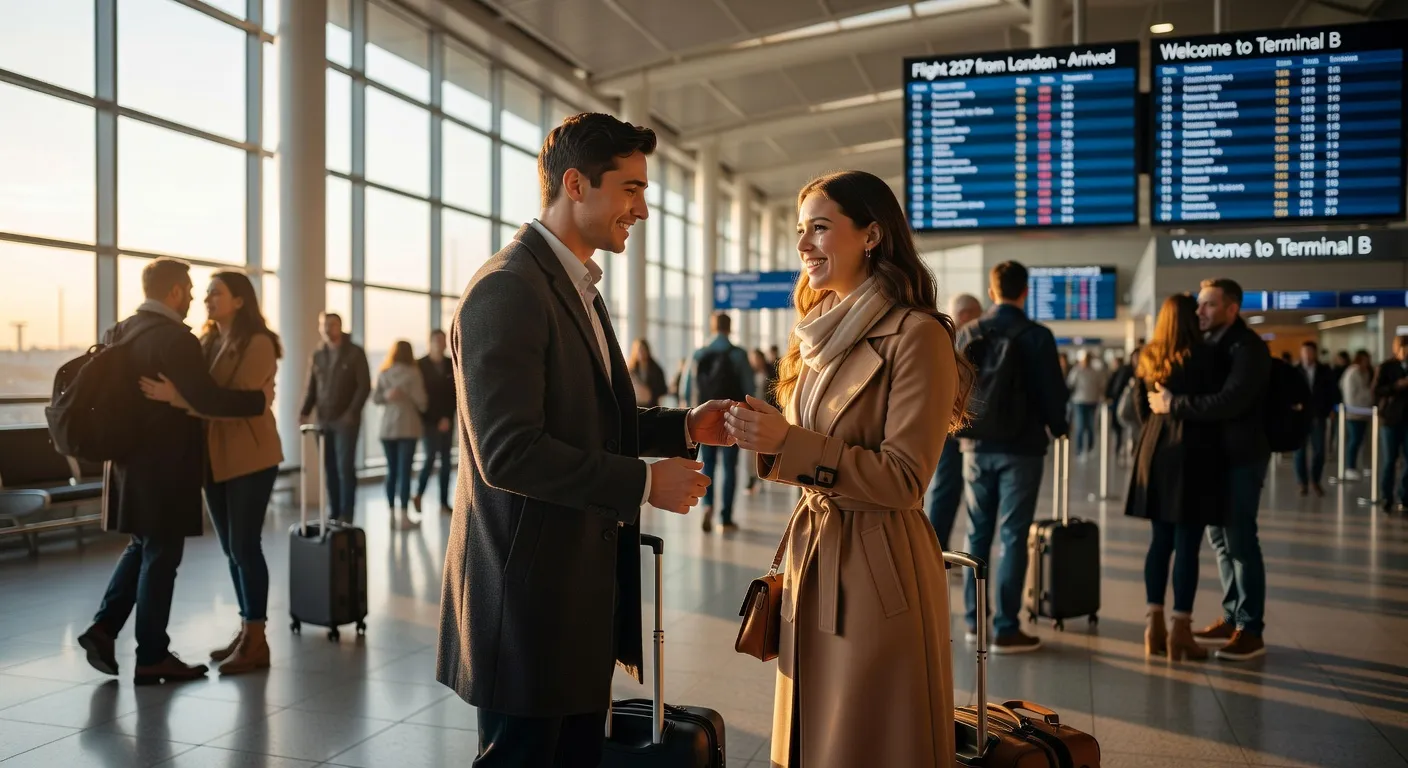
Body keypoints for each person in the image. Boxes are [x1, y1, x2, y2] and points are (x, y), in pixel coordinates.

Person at [436, 112, 735, 768]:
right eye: (631, 189)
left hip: (570, 596)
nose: (643, 210)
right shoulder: (508, 290)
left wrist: (683, 426)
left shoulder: (575, 287)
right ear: (576, 184)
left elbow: (586, 414)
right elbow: (509, 451)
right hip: (528, 603)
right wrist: (647, 482)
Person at [725, 169, 967, 767]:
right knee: (814, 735)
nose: (804, 244)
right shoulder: (817, 334)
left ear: (872, 235)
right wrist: (765, 437)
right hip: (816, 554)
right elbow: (806, 445)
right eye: (800, 230)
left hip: (878, 566)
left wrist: (794, 443)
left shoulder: (917, 336)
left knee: (867, 740)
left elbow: (906, 479)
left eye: (820, 228)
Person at [77, 258, 271, 685]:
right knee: (161, 556)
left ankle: (104, 628)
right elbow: (206, 398)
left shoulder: (118, 332)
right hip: (163, 469)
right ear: (174, 292)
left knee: (142, 548)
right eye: (189, 288)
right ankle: (152, 655)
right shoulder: (176, 339)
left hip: (125, 466)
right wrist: (258, 403)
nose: (195, 297)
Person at [137, 270, 283, 676]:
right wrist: (193, 396)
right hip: (214, 459)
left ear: (240, 300)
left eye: (216, 293)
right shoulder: (206, 341)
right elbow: (214, 397)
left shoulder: (259, 342)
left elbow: (233, 402)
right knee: (231, 550)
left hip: (251, 456)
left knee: (244, 546)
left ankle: (257, 638)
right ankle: (246, 628)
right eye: (206, 293)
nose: (206, 299)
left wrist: (177, 397)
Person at [1148, 277, 1270, 661]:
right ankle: (1233, 615)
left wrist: (1177, 405)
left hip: (1241, 458)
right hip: (1213, 460)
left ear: (1232, 308)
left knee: (1240, 540)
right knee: (1220, 541)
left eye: (1209, 305)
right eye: (1199, 305)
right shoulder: (1210, 345)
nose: (1200, 311)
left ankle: (1250, 629)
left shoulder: (1246, 347)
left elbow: (1230, 400)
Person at [957, 261, 1069, 654]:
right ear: (1025, 292)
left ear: (992, 292)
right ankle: (1005, 627)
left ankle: (974, 623)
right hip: (1022, 449)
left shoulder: (969, 331)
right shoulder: (1037, 336)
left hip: (975, 447)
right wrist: (1059, 427)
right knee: (1012, 535)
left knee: (976, 534)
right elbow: (1052, 392)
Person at [1126, 294, 1225, 662]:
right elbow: (1217, 405)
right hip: (1194, 454)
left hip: (1154, 452)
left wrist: (1158, 429)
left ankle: (1154, 626)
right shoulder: (1206, 356)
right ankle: (1181, 629)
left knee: (1160, 540)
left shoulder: (1148, 357)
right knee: (1187, 543)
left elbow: (1139, 407)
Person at [684, 312, 754, 532]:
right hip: (732, 417)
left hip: (705, 417)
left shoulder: (700, 353)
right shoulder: (739, 355)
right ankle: (726, 518)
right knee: (730, 467)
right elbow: (749, 389)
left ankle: (707, 506)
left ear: (713, 327)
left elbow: (687, 389)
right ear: (730, 327)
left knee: (708, 465)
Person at [299, 312, 370, 523]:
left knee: (345, 467)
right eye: (324, 325)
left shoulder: (355, 353)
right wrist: (304, 411)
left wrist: (352, 413)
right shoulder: (318, 354)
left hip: (346, 421)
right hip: (324, 419)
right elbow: (311, 386)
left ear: (340, 326)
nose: (328, 328)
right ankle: (334, 511)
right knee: (329, 467)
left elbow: (364, 386)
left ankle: (347, 514)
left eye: (332, 324)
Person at [925, 292, 982, 550]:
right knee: (947, 489)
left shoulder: (942, 340)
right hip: (955, 426)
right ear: (967, 315)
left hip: (944, 425)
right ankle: (936, 549)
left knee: (945, 488)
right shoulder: (961, 341)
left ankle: (937, 547)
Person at [374, 340, 428, 530]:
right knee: (405, 472)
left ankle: (390, 513)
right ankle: (404, 516)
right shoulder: (414, 374)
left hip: (387, 428)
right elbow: (422, 401)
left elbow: (375, 398)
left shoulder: (384, 372)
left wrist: (389, 395)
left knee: (391, 471)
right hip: (407, 427)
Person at [415, 329, 456, 515]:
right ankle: (419, 494)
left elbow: (456, 393)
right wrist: (436, 419)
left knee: (446, 462)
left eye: (442, 341)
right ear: (429, 342)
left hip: (448, 420)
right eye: (436, 341)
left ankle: (443, 503)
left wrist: (447, 417)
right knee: (430, 457)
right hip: (429, 421)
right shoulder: (420, 365)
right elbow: (420, 397)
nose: (440, 344)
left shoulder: (451, 363)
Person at [1294, 340, 1338, 497]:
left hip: (1319, 415)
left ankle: (1315, 480)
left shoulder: (1325, 371)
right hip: (1300, 416)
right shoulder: (1295, 371)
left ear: (1315, 353)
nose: (1306, 355)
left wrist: (1332, 408)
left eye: (1309, 352)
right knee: (1300, 451)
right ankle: (1302, 482)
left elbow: (1333, 391)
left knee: (1319, 450)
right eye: (1304, 352)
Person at [1372, 336, 1408, 513]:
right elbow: (1377, 390)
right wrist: (1396, 386)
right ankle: (1387, 496)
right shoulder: (1386, 367)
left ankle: (1405, 496)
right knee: (1390, 460)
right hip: (1391, 419)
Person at [1340, 349, 1374, 480]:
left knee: (1362, 441)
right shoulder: (1353, 373)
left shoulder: (1364, 372)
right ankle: (1350, 467)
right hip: (1354, 413)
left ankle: (1364, 465)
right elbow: (1350, 395)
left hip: (1364, 412)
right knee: (1354, 441)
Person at [1067, 350, 1107, 459]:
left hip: (1092, 401)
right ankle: (1079, 450)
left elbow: (1101, 385)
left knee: (1090, 426)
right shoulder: (1076, 371)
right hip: (1079, 402)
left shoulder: (1095, 372)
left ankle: (1089, 448)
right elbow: (1070, 384)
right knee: (1080, 426)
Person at [627, 338, 669, 407]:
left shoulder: (656, 369)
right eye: (639, 350)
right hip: (636, 406)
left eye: (643, 350)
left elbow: (663, 388)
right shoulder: (631, 369)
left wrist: (651, 393)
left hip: (651, 406)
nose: (641, 353)